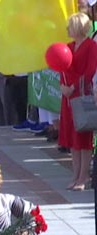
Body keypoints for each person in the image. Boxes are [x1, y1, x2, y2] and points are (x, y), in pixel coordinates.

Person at [60, 12, 97, 193]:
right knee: (73, 139)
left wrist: (74, 87)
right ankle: (75, 176)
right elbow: (62, 67)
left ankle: (84, 176)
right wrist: (63, 87)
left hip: (82, 96)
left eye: (70, 26)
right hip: (68, 98)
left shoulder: (91, 46)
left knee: (83, 138)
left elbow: (90, 71)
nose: (67, 29)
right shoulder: (69, 46)